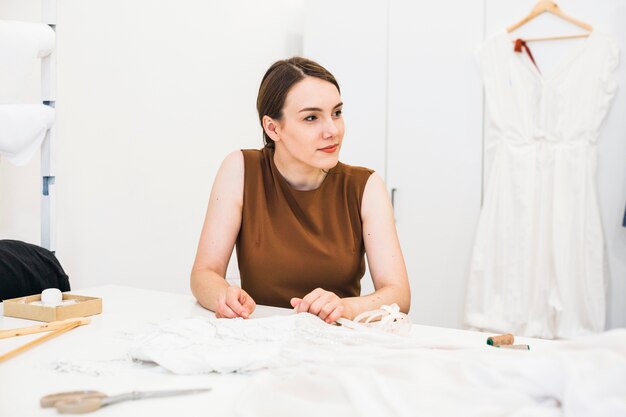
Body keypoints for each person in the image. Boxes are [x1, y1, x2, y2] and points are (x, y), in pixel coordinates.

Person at [191, 57, 409, 323]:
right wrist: (223, 296)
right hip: (259, 339)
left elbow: (398, 294)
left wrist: (346, 308)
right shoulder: (240, 170)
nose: (332, 130)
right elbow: (204, 273)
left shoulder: (365, 186)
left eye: (337, 113)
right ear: (273, 128)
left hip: (336, 344)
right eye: (311, 117)